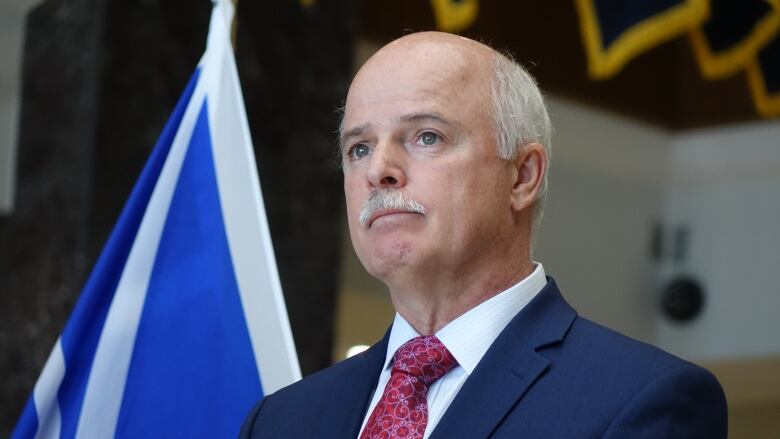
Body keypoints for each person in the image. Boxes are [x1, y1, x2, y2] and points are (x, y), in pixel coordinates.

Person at [239, 31, 727, 438]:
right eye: (359, 148)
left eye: (426, 136)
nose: (379, 170)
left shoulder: (644, 400)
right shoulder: (281, 421)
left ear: (521, 177)